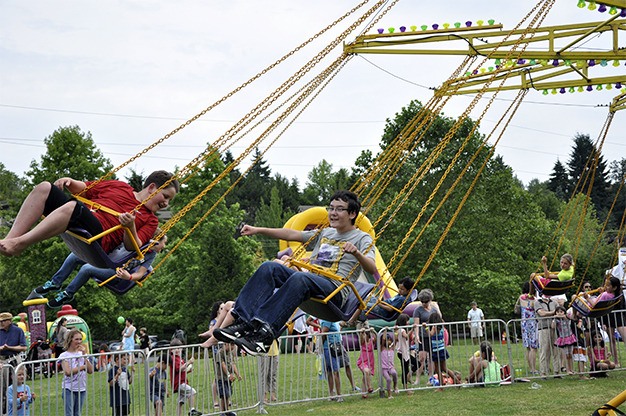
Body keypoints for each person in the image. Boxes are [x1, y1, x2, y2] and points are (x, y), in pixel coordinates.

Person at [213, 190, 378, 356]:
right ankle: (243, 321)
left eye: (339, 209)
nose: (333, 213)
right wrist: (258, 230)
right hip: (312, 283)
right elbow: (292, 234)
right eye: (331, 208)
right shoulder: (326, 233)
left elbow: (371, 268)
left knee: (301, 277)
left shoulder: (362, 238)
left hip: (334, 291)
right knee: (269, 267)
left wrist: (357, 253)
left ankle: (265, 333)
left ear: (352, 214)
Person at [0, 170, 178, 257]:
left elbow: (134, 246)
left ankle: (20, 243)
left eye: (169, 200)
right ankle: (10, 240)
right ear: (153, 187)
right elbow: (85, 189)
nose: (166, 203)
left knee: (73, 207)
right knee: (44, 187)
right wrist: (69, 182)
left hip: (100, 237)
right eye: (166, 196)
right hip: (82, 216)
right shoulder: (120, 186)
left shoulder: (150, 220)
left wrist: (129, 227)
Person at [33, 230, 168, 308]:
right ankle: (56, 283)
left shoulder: (151, 254)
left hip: (115, 272)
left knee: (86, 268)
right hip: (107, 260)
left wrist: (129, 277)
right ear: (155, 241)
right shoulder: (136, 241)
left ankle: (68, 293)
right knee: (75, 255)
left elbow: (140, 273)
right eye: (164, 243)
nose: (163, 246)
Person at [58, 329, 94, 416]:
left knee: (78, 413)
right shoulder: (64, 355)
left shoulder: (82, 354)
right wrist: (82, 367)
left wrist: (85, 355)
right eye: (76, 339)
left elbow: (90, 370)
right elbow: (67, 372)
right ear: (70, 340)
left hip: (81, 387)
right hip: (69, 388)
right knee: (69, 413)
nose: (79, 341)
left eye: (80, 339)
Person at [349, 277, 415, 323]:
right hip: (381, 304)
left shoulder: (402, 299)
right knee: (366, 297)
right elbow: (390, 301)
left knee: (363, 304)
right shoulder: (400, 295)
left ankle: (352, 320)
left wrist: (379, 303)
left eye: (402, 289)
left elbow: (390, 309)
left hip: (382, 311)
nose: (399, 290)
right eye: (399, 288)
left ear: (408, 291)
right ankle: (353, 312)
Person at [0, 312, 27, 415]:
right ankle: (5, 411)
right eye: (0, 321)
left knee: (18, 385)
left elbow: (24, 347)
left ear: (10, 321)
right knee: (4, 387)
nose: (1, 323)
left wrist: (10, 348)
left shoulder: (18, 331)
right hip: (3, 361)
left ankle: (20, 408)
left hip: (15, 360)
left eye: (3, 321)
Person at [169, 338, 201, 416]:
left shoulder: (179, 359)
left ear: (182, 348)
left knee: (180, 402)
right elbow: (179, 369)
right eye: (175, 348)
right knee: (192, 391)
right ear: (171, 350)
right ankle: (192, 410)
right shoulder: (174, 359)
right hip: (179, 383)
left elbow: (181, 370)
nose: (177, 350)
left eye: (179, 348)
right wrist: (189, 362)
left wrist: (188, 370)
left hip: (182, 381)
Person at [412, 289, 439, 382]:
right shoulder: (417, 310)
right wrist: (416, 335)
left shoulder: (434, 309)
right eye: (422, 301)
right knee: (422, 357)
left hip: (432, 336)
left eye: (426, 301)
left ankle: (430, 378)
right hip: (423, 336)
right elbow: (416, 324)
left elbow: (438, 320)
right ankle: (417, 378)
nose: (424, 303)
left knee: (432, 358)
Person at [428, 312, 461, 386]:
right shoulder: (442, 326)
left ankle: (441, 385)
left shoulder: (434, 327)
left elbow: (430, 334)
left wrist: (426, 328)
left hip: (436, 350)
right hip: (442, 349)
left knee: (437, 369)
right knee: (444, 368)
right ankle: (457, 381)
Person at [534, 293, 561, 378]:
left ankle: (557, 372)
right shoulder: (537, 302)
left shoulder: (554, 302)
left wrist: (555, 313)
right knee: (544, 350)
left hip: (555, 328)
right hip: (543, 328)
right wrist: (554, 313)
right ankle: (543, 372)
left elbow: (560, 311)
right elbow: (541, 313)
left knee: (556, 350)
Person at [515, 281, 538, 375]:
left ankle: (530, 368)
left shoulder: (521, 297)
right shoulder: (534, 299)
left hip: (524, 323)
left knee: (528, 347)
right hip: (532, 322)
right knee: (533, 347)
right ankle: (533, 368)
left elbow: (516, 309)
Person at [214, 342, 241, 416]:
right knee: (224, 395)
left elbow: (232, 364)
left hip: (228, 379)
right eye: (231, 345)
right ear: (225, 344)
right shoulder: (220, 353)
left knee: (228, 394)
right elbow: (223, 365)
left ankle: (227, 411)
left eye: (233, 345)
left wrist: (237, 374)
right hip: (221, 378)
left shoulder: (230, 353)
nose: (232, 347)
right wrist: (229, 375)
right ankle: (222, 412)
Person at [320, 320, 344, 402]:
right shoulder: (325, 319)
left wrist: (321, 346)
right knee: (330, 371)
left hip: (332, 347)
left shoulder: (327, 319)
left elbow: (324, 332)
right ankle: (332, 394)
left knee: (335, 371)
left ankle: (339, 394)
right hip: (328, 347)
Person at [551, 305, 576, 375]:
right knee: (566, 354)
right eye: (557, 312)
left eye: (561, 311)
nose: (559, 313)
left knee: (570, 354)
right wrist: (554, 318)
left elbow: (568, 317)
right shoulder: (557, 320)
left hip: (570, 337)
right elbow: (552, 327)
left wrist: (562, 315)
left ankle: (572, 369)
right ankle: (568, 370)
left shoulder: (566, 317)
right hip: (563, 338)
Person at [395, 313, 414, 392]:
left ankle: (408, 377)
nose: (408, 323)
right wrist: (412, 329)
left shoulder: (400, 329)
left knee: (417, 363)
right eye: (407, 321)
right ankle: (406, 387)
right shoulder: (402, 330)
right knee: (405, 369)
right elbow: (406, 336)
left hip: (405, 352)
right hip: (402, 353)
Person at [356, 327, 375, 398]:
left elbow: (376, 339)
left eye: (365, 335)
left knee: (365, 376)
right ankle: (369, 387)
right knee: (366, 371)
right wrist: (361, 333)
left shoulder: (372, 341)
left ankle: (364, 393)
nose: (364, 336)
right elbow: (361, 340)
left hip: (370, 361)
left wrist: (372, 331)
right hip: (363, 361)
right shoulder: (363, 342)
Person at [380, 332, 398, 398]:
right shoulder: (382, 349)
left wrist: (396, 331)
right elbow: (383, 340)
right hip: (384, 368)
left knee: (394, 373)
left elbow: (395, 340)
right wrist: (385, 331)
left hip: (391, 367)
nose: (389, 342)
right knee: (388, 379)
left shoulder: (392, 349)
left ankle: (395, 386)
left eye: (390, 340)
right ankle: (389, 394)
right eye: (387, 340)